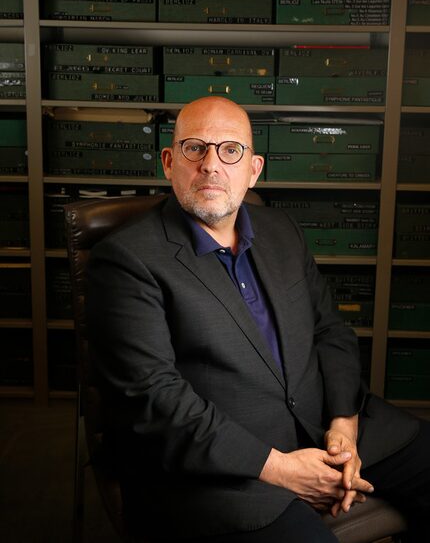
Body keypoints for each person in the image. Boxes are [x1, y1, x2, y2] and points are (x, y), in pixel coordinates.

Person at [87, 96, 430, 543]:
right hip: (221, 463)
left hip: (323, 426)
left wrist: (344, 426)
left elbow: (330, 330)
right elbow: (152, 397)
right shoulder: (127, 259)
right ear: (169, 162)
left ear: (254, 169)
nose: (212, 165)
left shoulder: (280, 231)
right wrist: (282, 469)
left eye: (231, 150)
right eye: (195, 148)